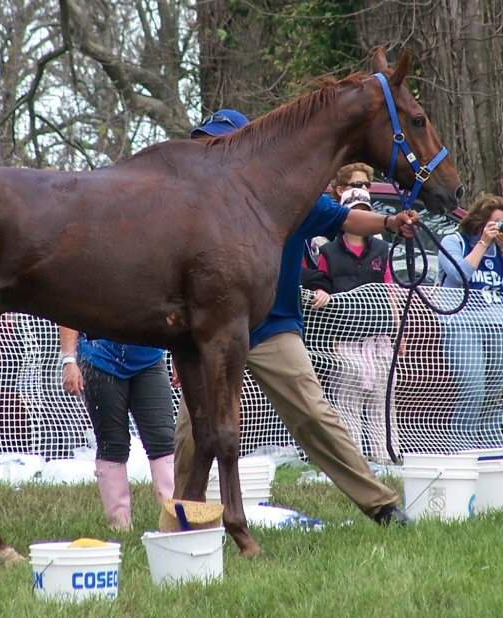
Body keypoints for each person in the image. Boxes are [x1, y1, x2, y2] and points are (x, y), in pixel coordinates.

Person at [175, 110, 414, 525]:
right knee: (193, 432)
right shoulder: (195, 207)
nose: (212, 151)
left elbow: (344, 218)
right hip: (213, 336)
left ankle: (382, 505)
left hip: (271, 327)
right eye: (206, 142)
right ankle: (180, 520)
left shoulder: (286, 194)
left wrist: (390, 221)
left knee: (313, 415)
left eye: (221, 141)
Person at [60, 327, 175, 531]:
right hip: (99, 359)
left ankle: (175, 521)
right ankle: (120, 526)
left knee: (164, 441)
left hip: (150, 360)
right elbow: (70, 311)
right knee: (112, 444)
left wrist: (179, 354)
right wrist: (69, 360)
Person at [317, 185, 400, 461]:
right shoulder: (328, 251)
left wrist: (398, 331)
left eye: (365, 212)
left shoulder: (381, 249)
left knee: (382, 401)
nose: (360, 218)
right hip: (346, 337)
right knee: (347, 402)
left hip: (378, 339)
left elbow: (390, 289)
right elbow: (322, 285)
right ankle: (352, 459)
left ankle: (386, 455)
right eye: (354, 213)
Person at [438, 192, 503, 449]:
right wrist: (483, 244)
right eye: (496, 223)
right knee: (473, 389)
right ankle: (461, 447)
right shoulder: (455, 241)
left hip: (497, 325)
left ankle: (491, 447)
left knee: (496, 393)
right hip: (463, 323)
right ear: (480, 221)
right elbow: (459, 276)